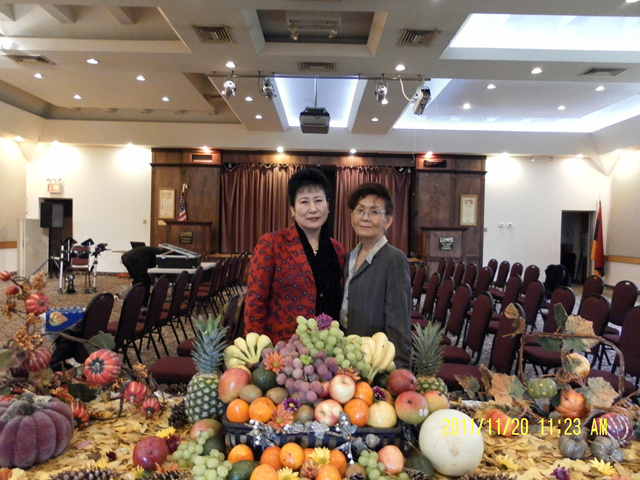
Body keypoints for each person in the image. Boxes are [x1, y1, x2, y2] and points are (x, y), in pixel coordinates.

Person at [244, 168, 346, 344]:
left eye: (318, 200)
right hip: (282, 349)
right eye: (304, 202)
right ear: (292, 209)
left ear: (328, 205)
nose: (313, 209)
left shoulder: (338, 250)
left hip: (327, 348)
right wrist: (256, 349)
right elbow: (255, 303)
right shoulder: (272, 244)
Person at [340, 183, 412, 369]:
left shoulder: (394, 259)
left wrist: (400, 370)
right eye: (360, 210)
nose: (365, 217)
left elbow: (399, 322)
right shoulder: (349, 257)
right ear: (352, 216)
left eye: (374, 212)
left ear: (387, 221)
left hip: (375, 360)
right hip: (347, 354)